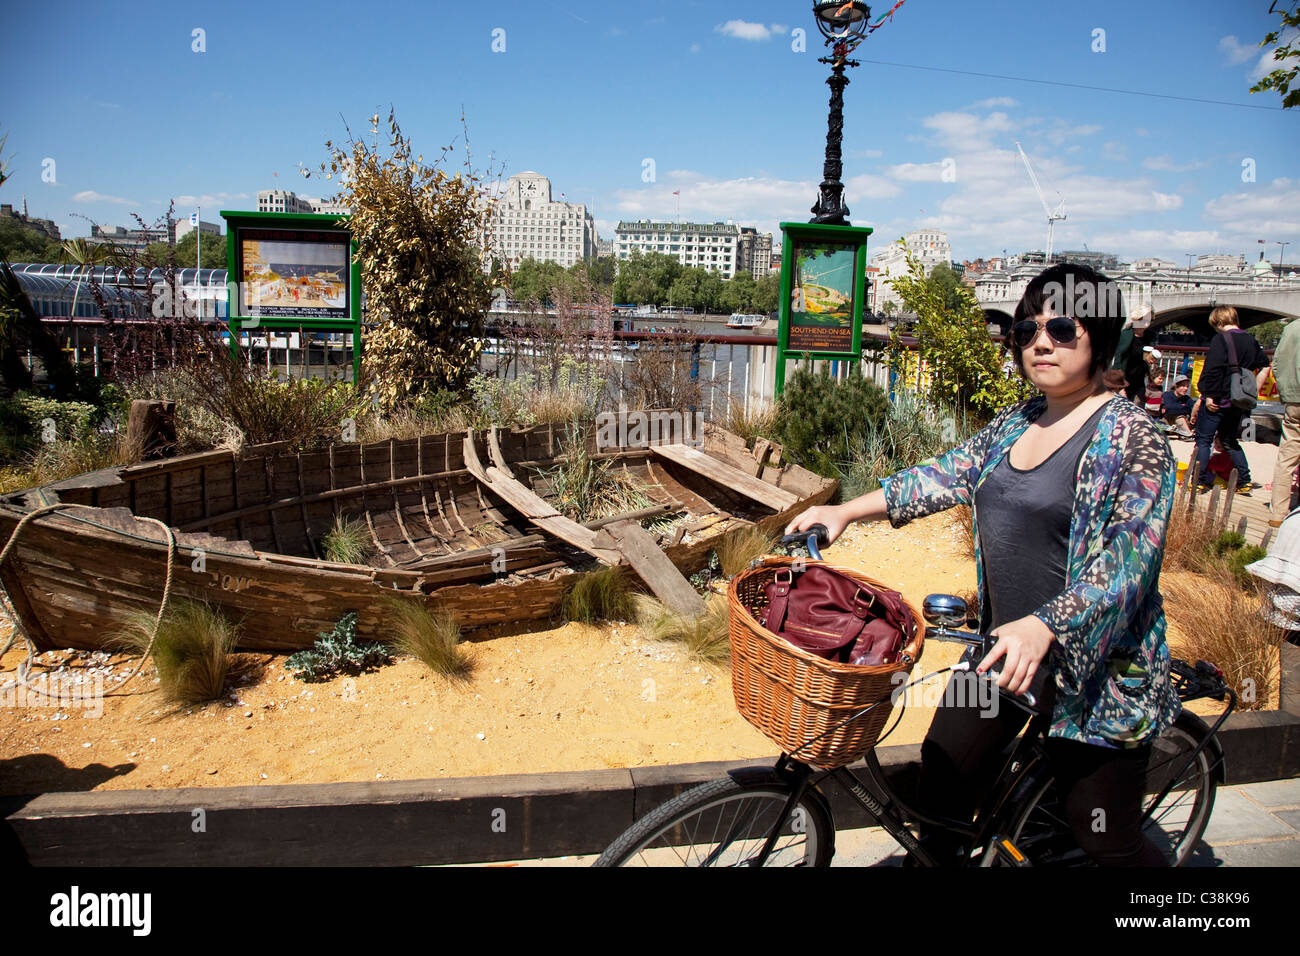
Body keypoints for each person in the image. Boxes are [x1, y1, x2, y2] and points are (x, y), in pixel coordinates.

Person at [787, 262, 1179, 867]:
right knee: (942, 783)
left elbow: (1127, 564)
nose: (1041, 343)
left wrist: (1044, 624)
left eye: (1064, 329)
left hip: (1096, 676)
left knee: (1103, 835)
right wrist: (844, 511)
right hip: (1001, 655)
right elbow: (943, 475)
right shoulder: (1018, 422)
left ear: (1100, 338)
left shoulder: (1133, 437)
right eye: (1027, 331)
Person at [1192, 306, 1270, 496]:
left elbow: (1213, 369)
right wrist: (1253, 391)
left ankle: (1199, 482)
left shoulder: (1221, 339)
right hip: (1237, 400)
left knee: (1204, 440)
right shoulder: (1251, 340)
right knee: (1229, 440)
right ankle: (1244, 481)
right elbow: (1265, 366)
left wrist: (1208, 395)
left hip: (1218, 398)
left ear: (1218, 322)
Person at [1269, 318, 1300, 527]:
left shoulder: (1291, 328)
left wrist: (1286, 391)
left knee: (1287, 457)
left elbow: (1276, 365)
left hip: (1293, 400)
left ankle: (1278, 514)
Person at [1142, 347, 1165, 417]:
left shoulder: (1160, 388)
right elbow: (1145, 398)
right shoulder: (1149, 388)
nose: (1152, 362)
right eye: (1152, 359)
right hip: (1148, 411)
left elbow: (1161, 398)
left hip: (1156, 412)